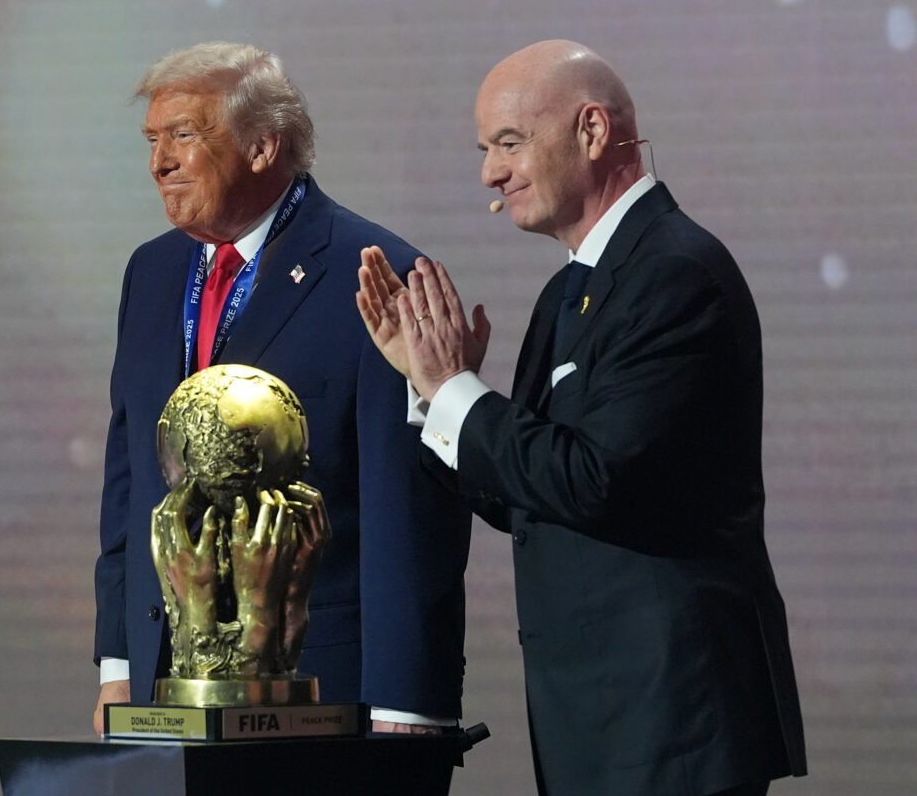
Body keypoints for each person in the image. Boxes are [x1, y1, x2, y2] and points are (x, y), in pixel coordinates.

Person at [356, 40, 807, 795]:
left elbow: (594, 479)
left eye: (509, 143)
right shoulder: (570, 291)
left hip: (675, 725)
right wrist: (429, 390)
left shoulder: (672, 273)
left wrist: (455, 387)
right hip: (603, 722)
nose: (490, 173)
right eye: (484, 150)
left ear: (592, 131)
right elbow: (526, 498)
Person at [92, 41, 472, 736]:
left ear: (263, 147)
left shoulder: (375, 275)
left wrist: (407, 703)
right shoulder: (150, 273)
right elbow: (131, 479)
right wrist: (119, 661)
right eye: (152, 140)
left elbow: (410, 516)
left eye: (183, 135)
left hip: (321, 691)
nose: (159, 162)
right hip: (164, 682)